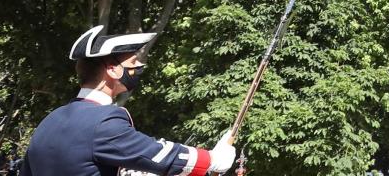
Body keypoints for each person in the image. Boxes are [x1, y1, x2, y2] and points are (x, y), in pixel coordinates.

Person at [20, 25, 236, 176]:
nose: (139, 67)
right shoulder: (104, 121)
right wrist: (213, 159)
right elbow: (159, 155)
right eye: (133, 62)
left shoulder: (50, 121)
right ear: (112, 69)